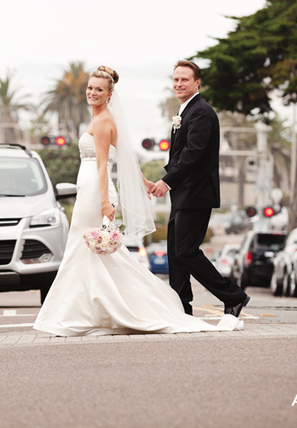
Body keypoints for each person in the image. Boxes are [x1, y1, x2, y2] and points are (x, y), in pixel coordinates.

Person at [33, 66, 243, 336]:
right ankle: (178, 306)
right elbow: (124, 157)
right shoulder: (105, 119)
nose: (92, 93)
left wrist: (111, 199)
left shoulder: (107, 121)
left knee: (178, 252)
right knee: (168, 253)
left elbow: (105, 165)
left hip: (116, 192)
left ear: (109, 94)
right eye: (90, 88)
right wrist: (145, 183)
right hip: (101, 189)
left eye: (99, 89)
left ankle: (225, 297)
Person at [149, 60, 250, 318]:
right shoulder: (186, 111)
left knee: (186, 251)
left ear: (197, 82)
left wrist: (167, 181)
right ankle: (181, 307)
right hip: (182, 194)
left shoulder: (201, 112)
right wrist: (168, 181)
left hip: (196, 194)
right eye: (176, 79)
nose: (179, 84)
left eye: (184, 79)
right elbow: (180, 155)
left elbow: (193, 154)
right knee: (176, 254)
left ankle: (233, 296)